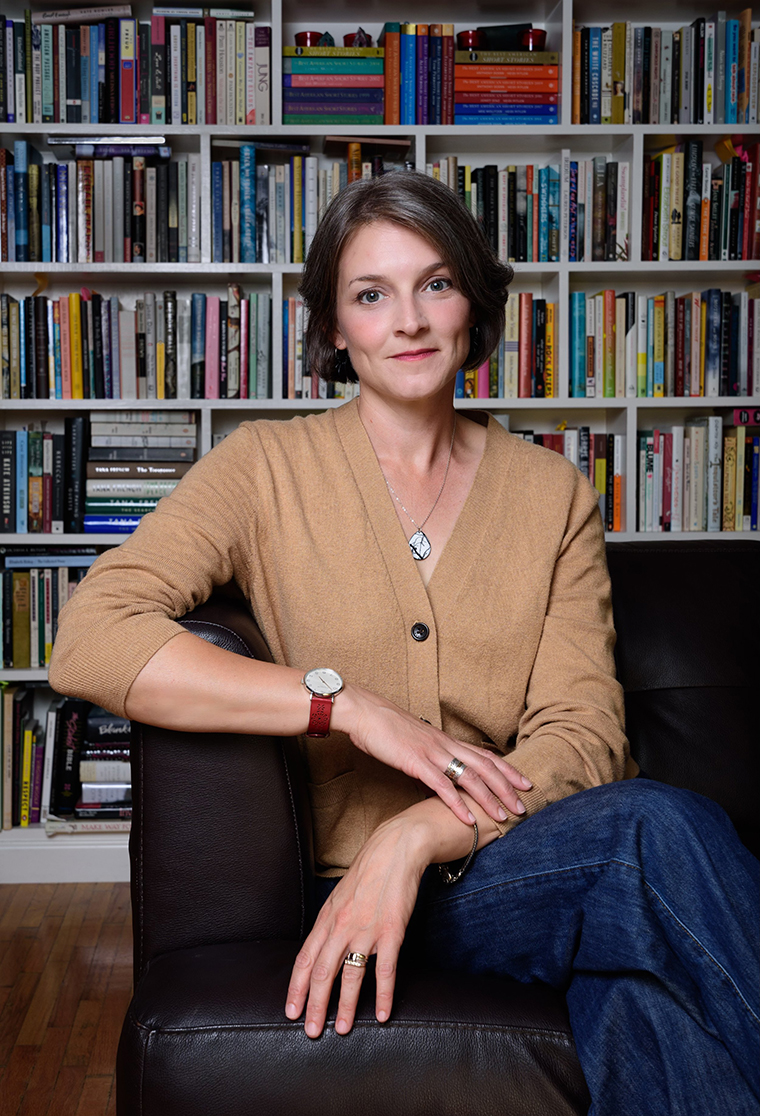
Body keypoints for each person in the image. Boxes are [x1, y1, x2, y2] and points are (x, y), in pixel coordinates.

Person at [49, 171, 759, 1115]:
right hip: (357, 905)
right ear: (335, 327)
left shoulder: (553, 497)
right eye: (371, 294)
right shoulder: (263, 470)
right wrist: (341, 706)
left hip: (513, 869)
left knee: (647, 1004)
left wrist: (420, 833)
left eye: (435, 283)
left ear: (471, 299)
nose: (410, 320)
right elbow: (91, 636)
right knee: (660, 829)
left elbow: (584, 736)